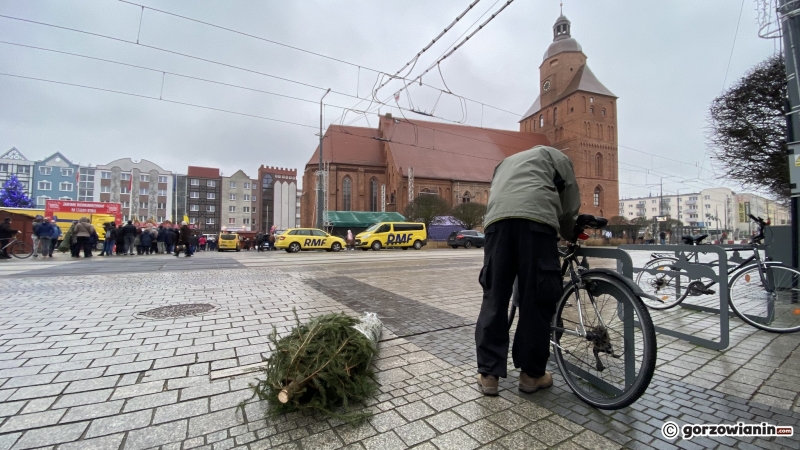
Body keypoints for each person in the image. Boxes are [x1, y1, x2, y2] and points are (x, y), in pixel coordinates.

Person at [474, 145, 580, 397]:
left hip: (496, 226)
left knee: (494, 297)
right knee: (537, 299)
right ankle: (532, 376)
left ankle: (488, 375)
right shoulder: (556, 157)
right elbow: (569, 200)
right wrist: (568, 232)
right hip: (536, 224)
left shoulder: (503, 164)